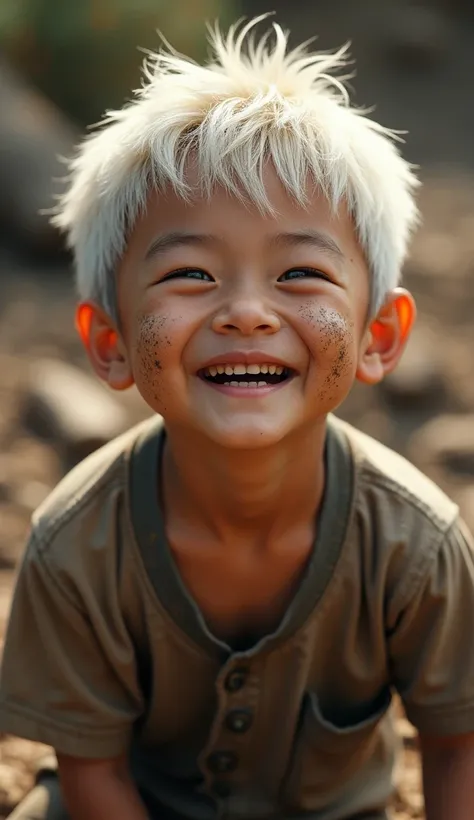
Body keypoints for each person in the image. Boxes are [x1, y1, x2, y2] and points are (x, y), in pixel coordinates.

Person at [1, 15, 474, 820]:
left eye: (299, 273)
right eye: (190, 272)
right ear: (111, 344)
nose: (247, 312)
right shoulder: (77, 545)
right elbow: (95, 777)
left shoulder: (416, 545)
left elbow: (458, 746)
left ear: (378, 337)